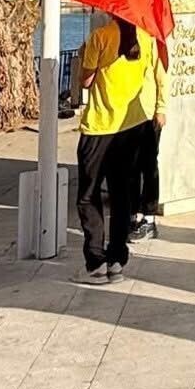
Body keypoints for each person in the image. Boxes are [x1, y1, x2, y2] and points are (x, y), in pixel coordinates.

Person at [76, 16, 167, 284]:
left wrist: (85, 57)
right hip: (133, 125)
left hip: (101, 126)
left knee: (88, 196)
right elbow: (156, 73)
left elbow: (85, 81)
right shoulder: (147, 38)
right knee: (121, 193)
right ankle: (117, 260)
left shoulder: (100, 37)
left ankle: (95, 263)